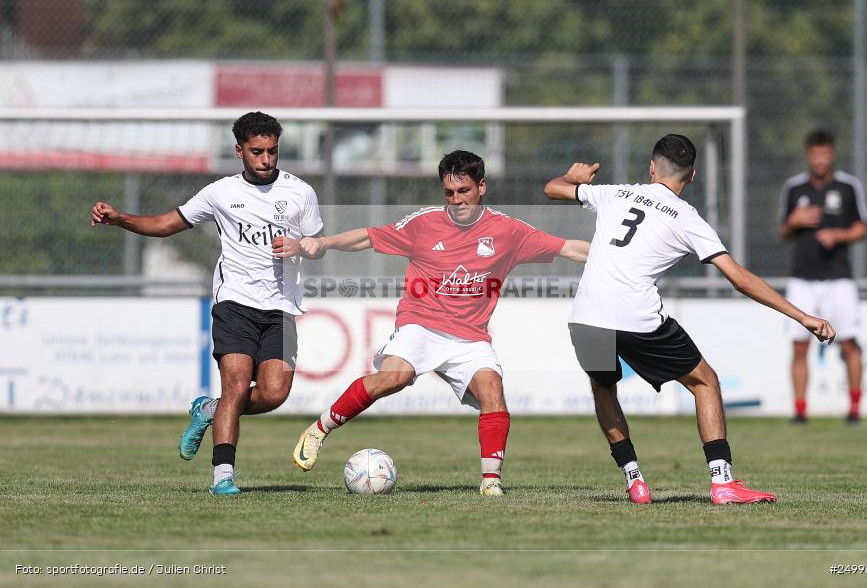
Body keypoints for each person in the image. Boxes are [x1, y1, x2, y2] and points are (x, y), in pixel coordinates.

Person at [544, 134, 835, 505]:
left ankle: (635, 481)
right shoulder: (686, 218)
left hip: (585, 315)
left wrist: (575, 178)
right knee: (705, 382)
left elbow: (552, 189)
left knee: (603, 388)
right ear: (693, 176)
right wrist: (802, 316)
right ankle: (723, 482)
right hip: (635, 315)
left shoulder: (616, 192)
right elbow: (739, 278)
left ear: (651, 167)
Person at [291, 150, 590, 495]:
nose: (456, 200)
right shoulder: (424, 223)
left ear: (482, 187)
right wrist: (323, 242)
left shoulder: (508, 231)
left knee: (493, 389)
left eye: (463, 191)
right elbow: (369, 237)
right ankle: (318, 430)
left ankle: (491, 483)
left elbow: (570, 248)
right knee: (394, 378)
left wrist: (618, 258)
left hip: (471, 336)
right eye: (449, 193)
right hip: (421, 323)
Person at [91, 111, 323, 495]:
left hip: (281, 308)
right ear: (239, 151)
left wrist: (302, 246)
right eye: (257, 151)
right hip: (234, 303)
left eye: (273, 151)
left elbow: (317, 246)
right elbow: (168, 224)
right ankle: (223, 478)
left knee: (273, 394)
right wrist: (120, 219)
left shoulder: (301, 193)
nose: (267, 160)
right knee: (235, 383)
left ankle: (207, 410)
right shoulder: (220, 193)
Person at [778, 129, 867, 423]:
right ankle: (800, 410)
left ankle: (854, 408)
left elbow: (862, 227)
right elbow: (783, 231)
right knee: (799, 344)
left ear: (832, 155)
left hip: (838, 277)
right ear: (809, 155)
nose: (820, 160)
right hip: (802, 278)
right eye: (815, 155)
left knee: (849, 343)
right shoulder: (794, 188)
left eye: (825, 154)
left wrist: (839, 235)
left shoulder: (847, 187)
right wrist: (794, 221)